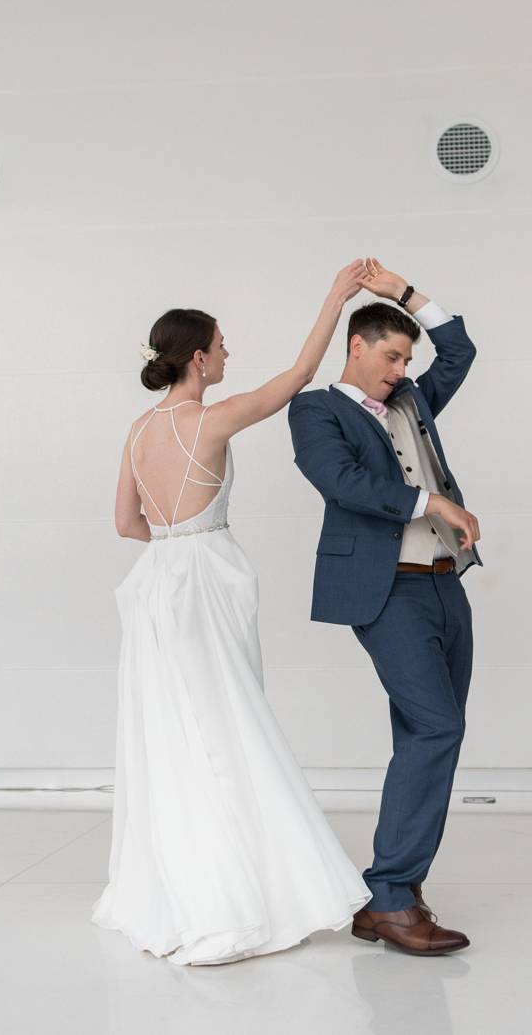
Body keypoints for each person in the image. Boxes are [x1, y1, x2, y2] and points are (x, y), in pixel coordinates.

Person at [92, 259, 375, 966]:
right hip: (207, 576)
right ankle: (236, 892)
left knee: (175, 728)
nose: (228, 353)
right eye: (220, 345)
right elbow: (299, 376)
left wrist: (172, 539)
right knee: (227, 721)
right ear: (197, 357)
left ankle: (180, 880)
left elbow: (126, 522)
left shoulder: (136, 430)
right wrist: (335, 299)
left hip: (158, 578)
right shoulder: (212, 419)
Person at [286, 259, 482, 956]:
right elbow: (340, 481)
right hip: (385, 590)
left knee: (428, 733)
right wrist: (433, 501)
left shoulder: (412, 401)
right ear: (357, 347)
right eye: (391, 355)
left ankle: (394, 897)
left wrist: (401, 291)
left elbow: (459, 348)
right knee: (438, 730)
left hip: (443, 584)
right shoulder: (317, 409)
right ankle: (392, 895)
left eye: (406, 358)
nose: (400, 369)